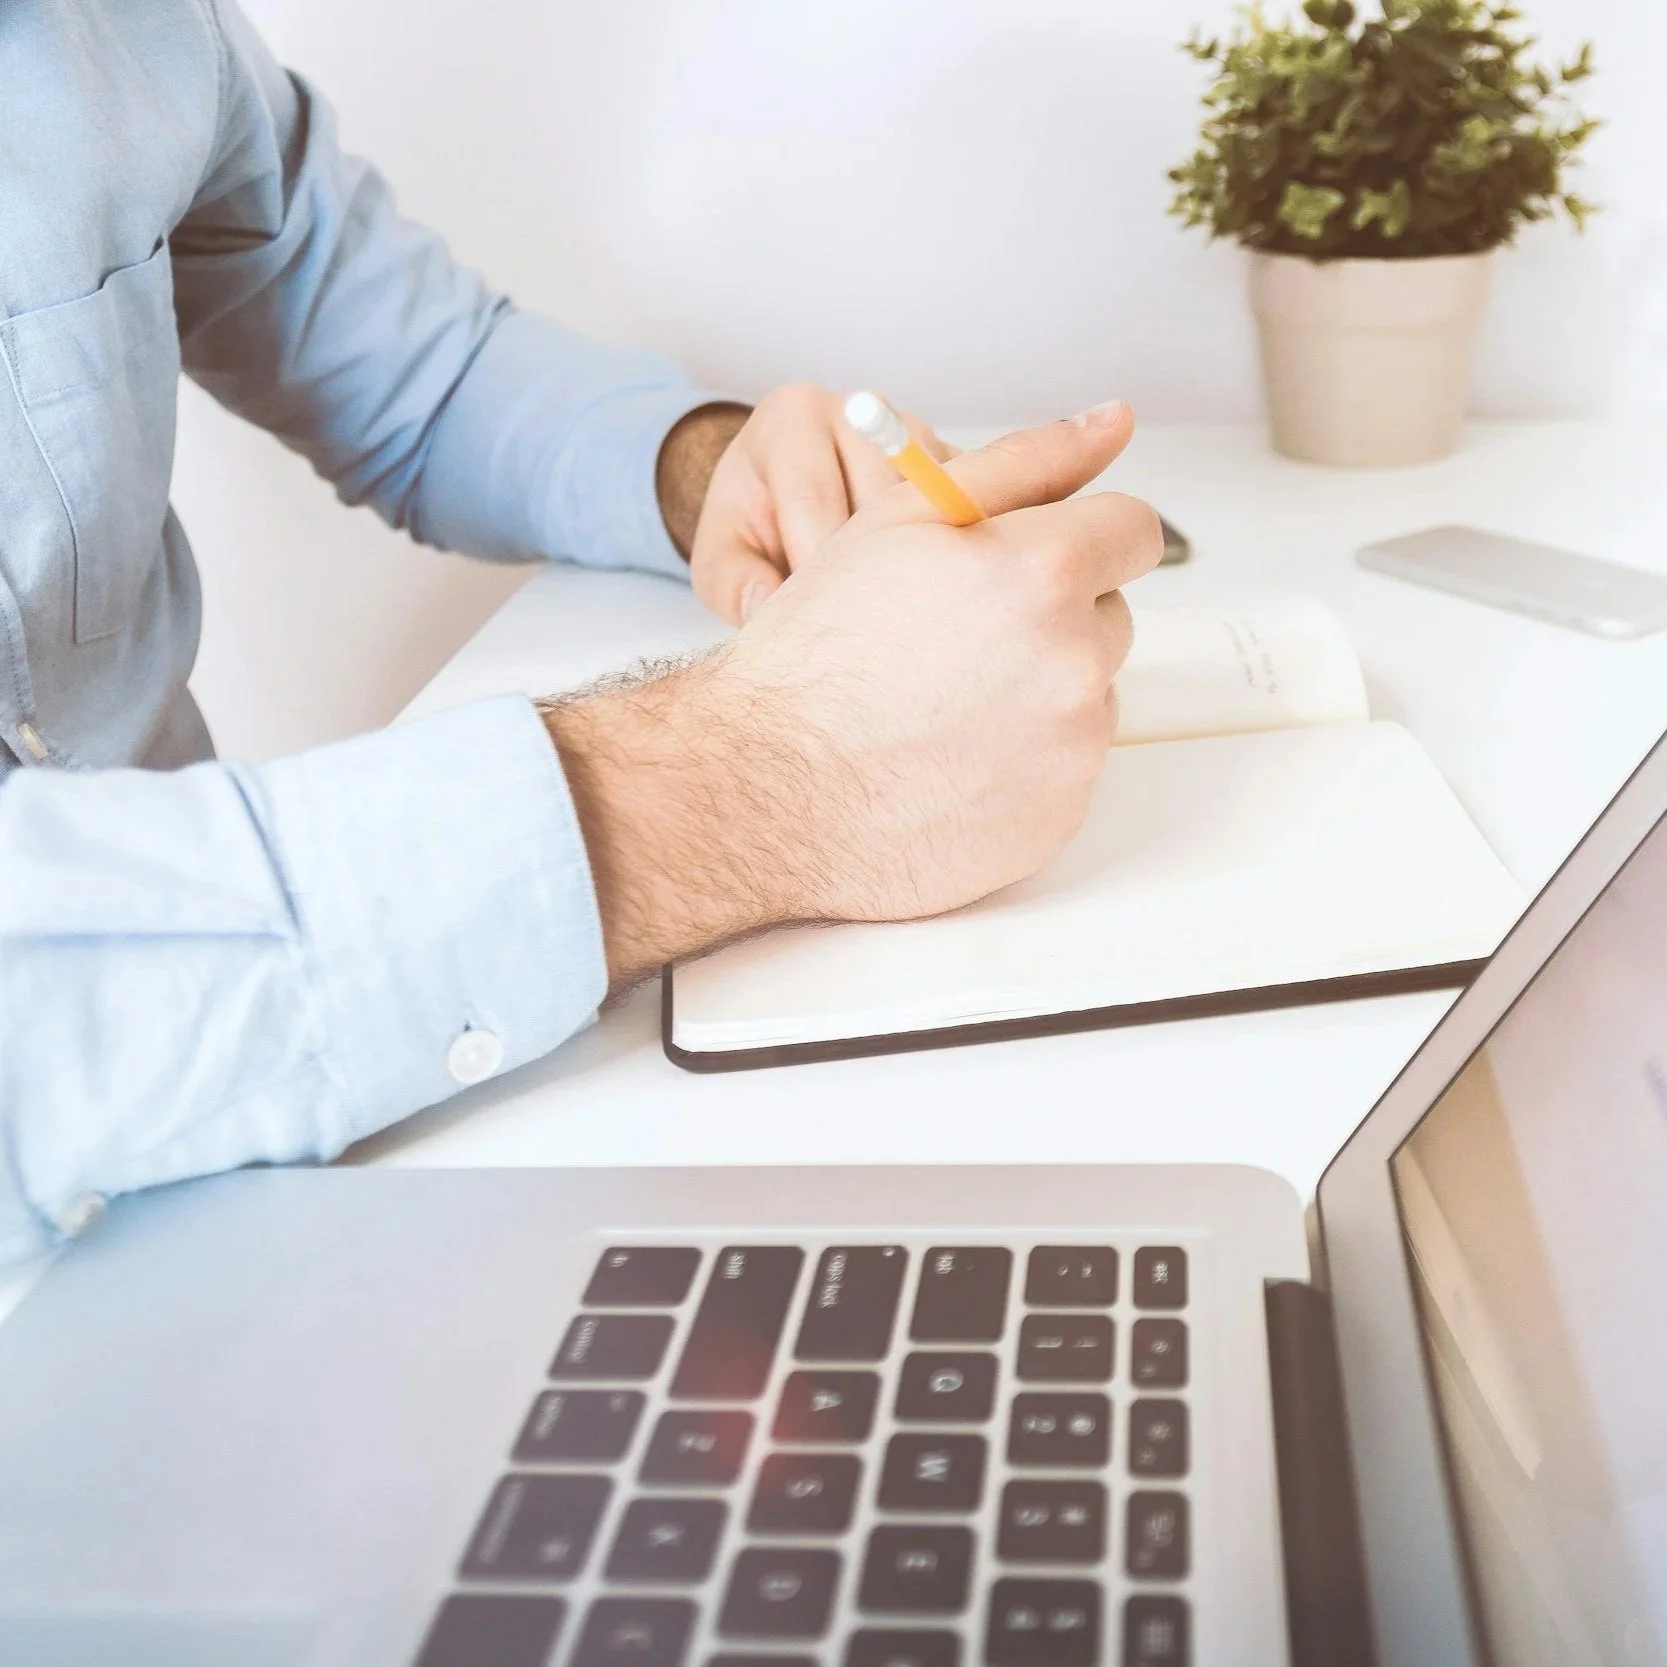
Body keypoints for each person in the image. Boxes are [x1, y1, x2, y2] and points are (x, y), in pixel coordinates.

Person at [0, 0, 1162, 1268]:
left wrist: (710, 470)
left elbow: (410, 365)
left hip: (268, 1173)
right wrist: (770, 769)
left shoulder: (130, 30)